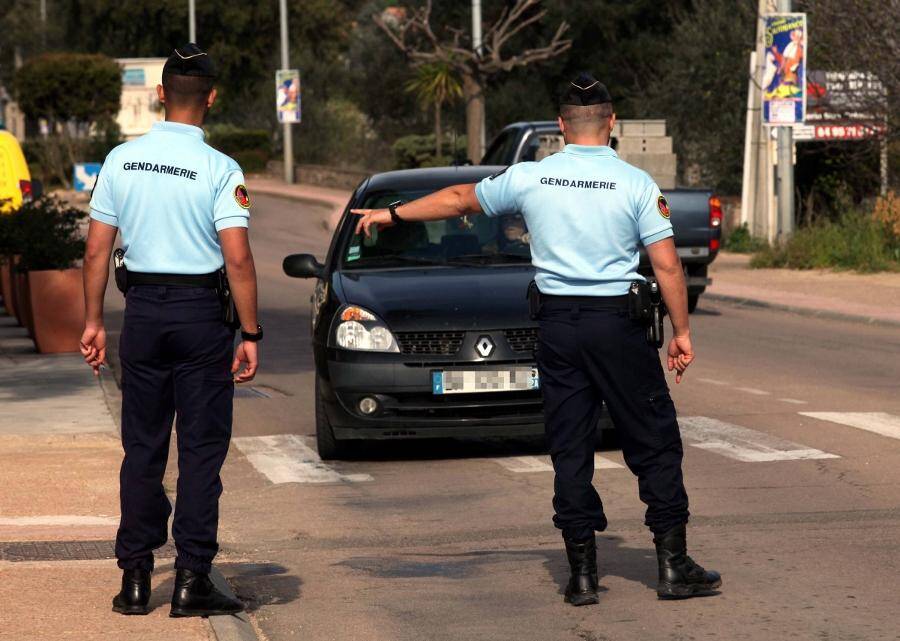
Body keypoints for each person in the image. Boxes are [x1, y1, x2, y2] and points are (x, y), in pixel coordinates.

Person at [352, 73, 721, 606]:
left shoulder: (532, 178)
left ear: (562, 127)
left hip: (558, 326)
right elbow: (666, 264)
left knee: (570, 445)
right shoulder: (636, 184)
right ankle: (672, 564)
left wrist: (390, 214)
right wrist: (682, 332)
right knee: (653, 438)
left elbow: (459, 199)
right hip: (617, 324)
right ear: (611, 124)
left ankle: (582, 574)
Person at [80, 43, 262, 617]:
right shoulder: (219, 168)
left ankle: (135, 579)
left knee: (143, 447)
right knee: (201, 451)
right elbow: (238, 261)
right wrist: (250, 333)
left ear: (161, 94)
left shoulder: (119, 160)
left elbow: (95, 252)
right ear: (210, 97)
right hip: (200, 318)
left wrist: (92, 321)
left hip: (144, 316)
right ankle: (191, 579)